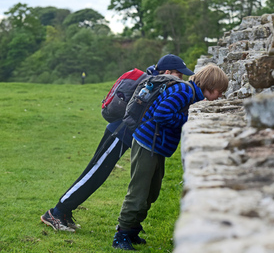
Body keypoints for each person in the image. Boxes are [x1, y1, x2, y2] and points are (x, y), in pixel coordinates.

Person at [40, 54, 195, 233]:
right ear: (168, 71)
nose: (181, 79)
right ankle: (56, 213)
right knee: (95, 172)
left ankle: (64, 213)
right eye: (179, 74)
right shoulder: (157, 83)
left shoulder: (157, 82)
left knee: (97, 172)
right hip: (120, 132)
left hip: (123, 132)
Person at [112, 64, 229, 250]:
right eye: (219, 92)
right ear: (209, 86)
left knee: (152, 191)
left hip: (156, 146)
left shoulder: (192, 94)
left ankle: (133, 228)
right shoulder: (184, 92)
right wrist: (190, 120)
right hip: (147, 142)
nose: (220, 97)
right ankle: (122, 233)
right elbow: (162, 114)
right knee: (139, 190)